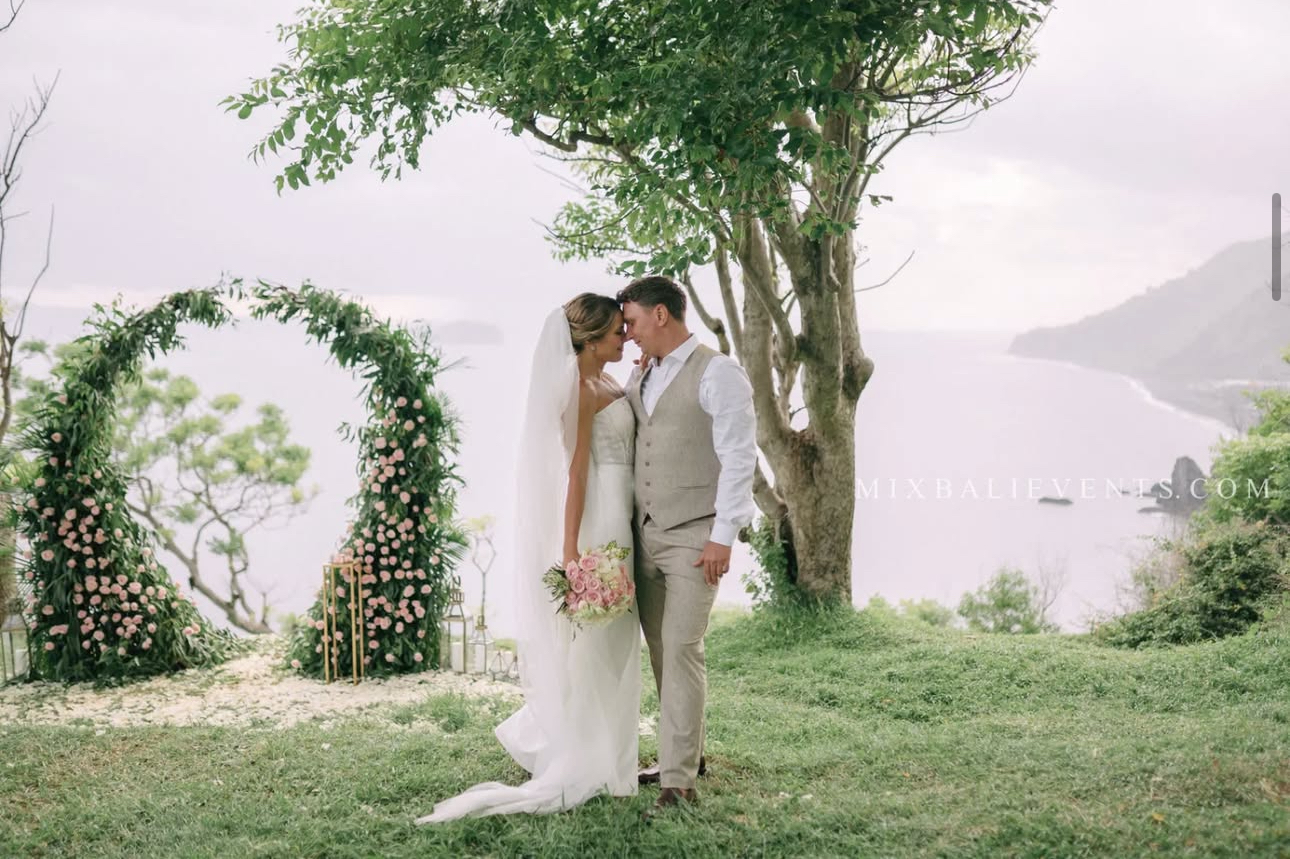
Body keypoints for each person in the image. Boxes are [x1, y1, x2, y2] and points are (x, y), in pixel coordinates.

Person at [416, 293, 641, 822]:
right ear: (590, 340)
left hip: (626, 513)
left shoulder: (611, 379)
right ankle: (592, 754)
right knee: (597, 643)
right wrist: (571, 552)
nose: (624, 338)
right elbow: (576, 473)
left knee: (618, 641)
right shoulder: (579, 390)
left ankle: (615, 754)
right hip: (604, 518)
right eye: (616, 332)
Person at [617, 275, 757, 817]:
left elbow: (739, 456)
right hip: (645, 533)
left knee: (681, 648)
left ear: (660, 315)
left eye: (631, 321)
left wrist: (723, 536)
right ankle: (686, 755)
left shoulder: (719, 373)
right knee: (660, 650)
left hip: (696, 538)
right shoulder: (644, 372)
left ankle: (678, 784)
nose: (627, 333)